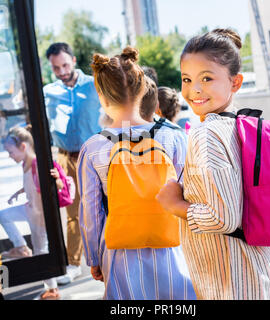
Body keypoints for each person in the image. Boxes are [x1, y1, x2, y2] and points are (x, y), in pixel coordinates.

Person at [156, 28, 270, 300]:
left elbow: (223, 217)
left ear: (235, 82)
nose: (194, 89)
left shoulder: (207, 133)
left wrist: (174, 205)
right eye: (187, 79)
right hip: (250, 270)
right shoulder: (237, 125)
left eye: (207, 78)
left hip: (229, 280)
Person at [77, 47, 196, 300]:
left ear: (102, 96)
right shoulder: (174, 136)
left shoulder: (92, 148)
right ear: (144, 89)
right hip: (173, 247)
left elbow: (91, 210)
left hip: (119, 252)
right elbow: (191, 193)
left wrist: (94, 257)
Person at [43, 42, 102, 285]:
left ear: (74, 60)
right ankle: (74, 262)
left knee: (100, 205)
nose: (62, 71)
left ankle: (108, 255)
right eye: (56, 68)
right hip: (65, 156)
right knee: (72, 210)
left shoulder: (94, 85)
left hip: (94, 153)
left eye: (65, 65)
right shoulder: (48, 91)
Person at [0, 126, 62, 300]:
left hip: (39, 216)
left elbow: (58, 186)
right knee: (3, 215)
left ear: (23, 147)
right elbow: (30, 184)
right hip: (29, 208)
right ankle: (21, 247)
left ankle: (53, 290)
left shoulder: (37, 164)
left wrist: (57, 180)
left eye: (11, 152)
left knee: (41, 251)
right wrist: (18, 193)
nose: (10, 156)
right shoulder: (25, 163)